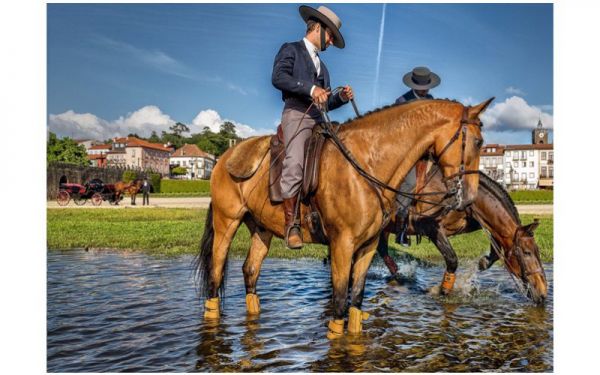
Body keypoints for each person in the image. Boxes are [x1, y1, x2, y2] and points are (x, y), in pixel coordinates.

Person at [272, 5, 353, 249]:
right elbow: (278, 78)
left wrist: (341, 98)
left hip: (320, 119)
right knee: (295, 161)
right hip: (296, 113)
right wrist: (311, 89)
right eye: (330, 35)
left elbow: (325, 102)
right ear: (317, 27)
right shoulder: (291, 49)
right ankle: (291, 225)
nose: (330, 41)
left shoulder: (323, 67)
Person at [377, 66, 441, 276]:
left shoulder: (431, 100)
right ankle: (401, 230)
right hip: (406, 153)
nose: (424, 90)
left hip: (428, 151)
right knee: (409, 183)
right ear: (414, 86)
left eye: (426, 87)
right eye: (421, 87)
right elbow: (396, 131)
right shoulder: (401, 102)